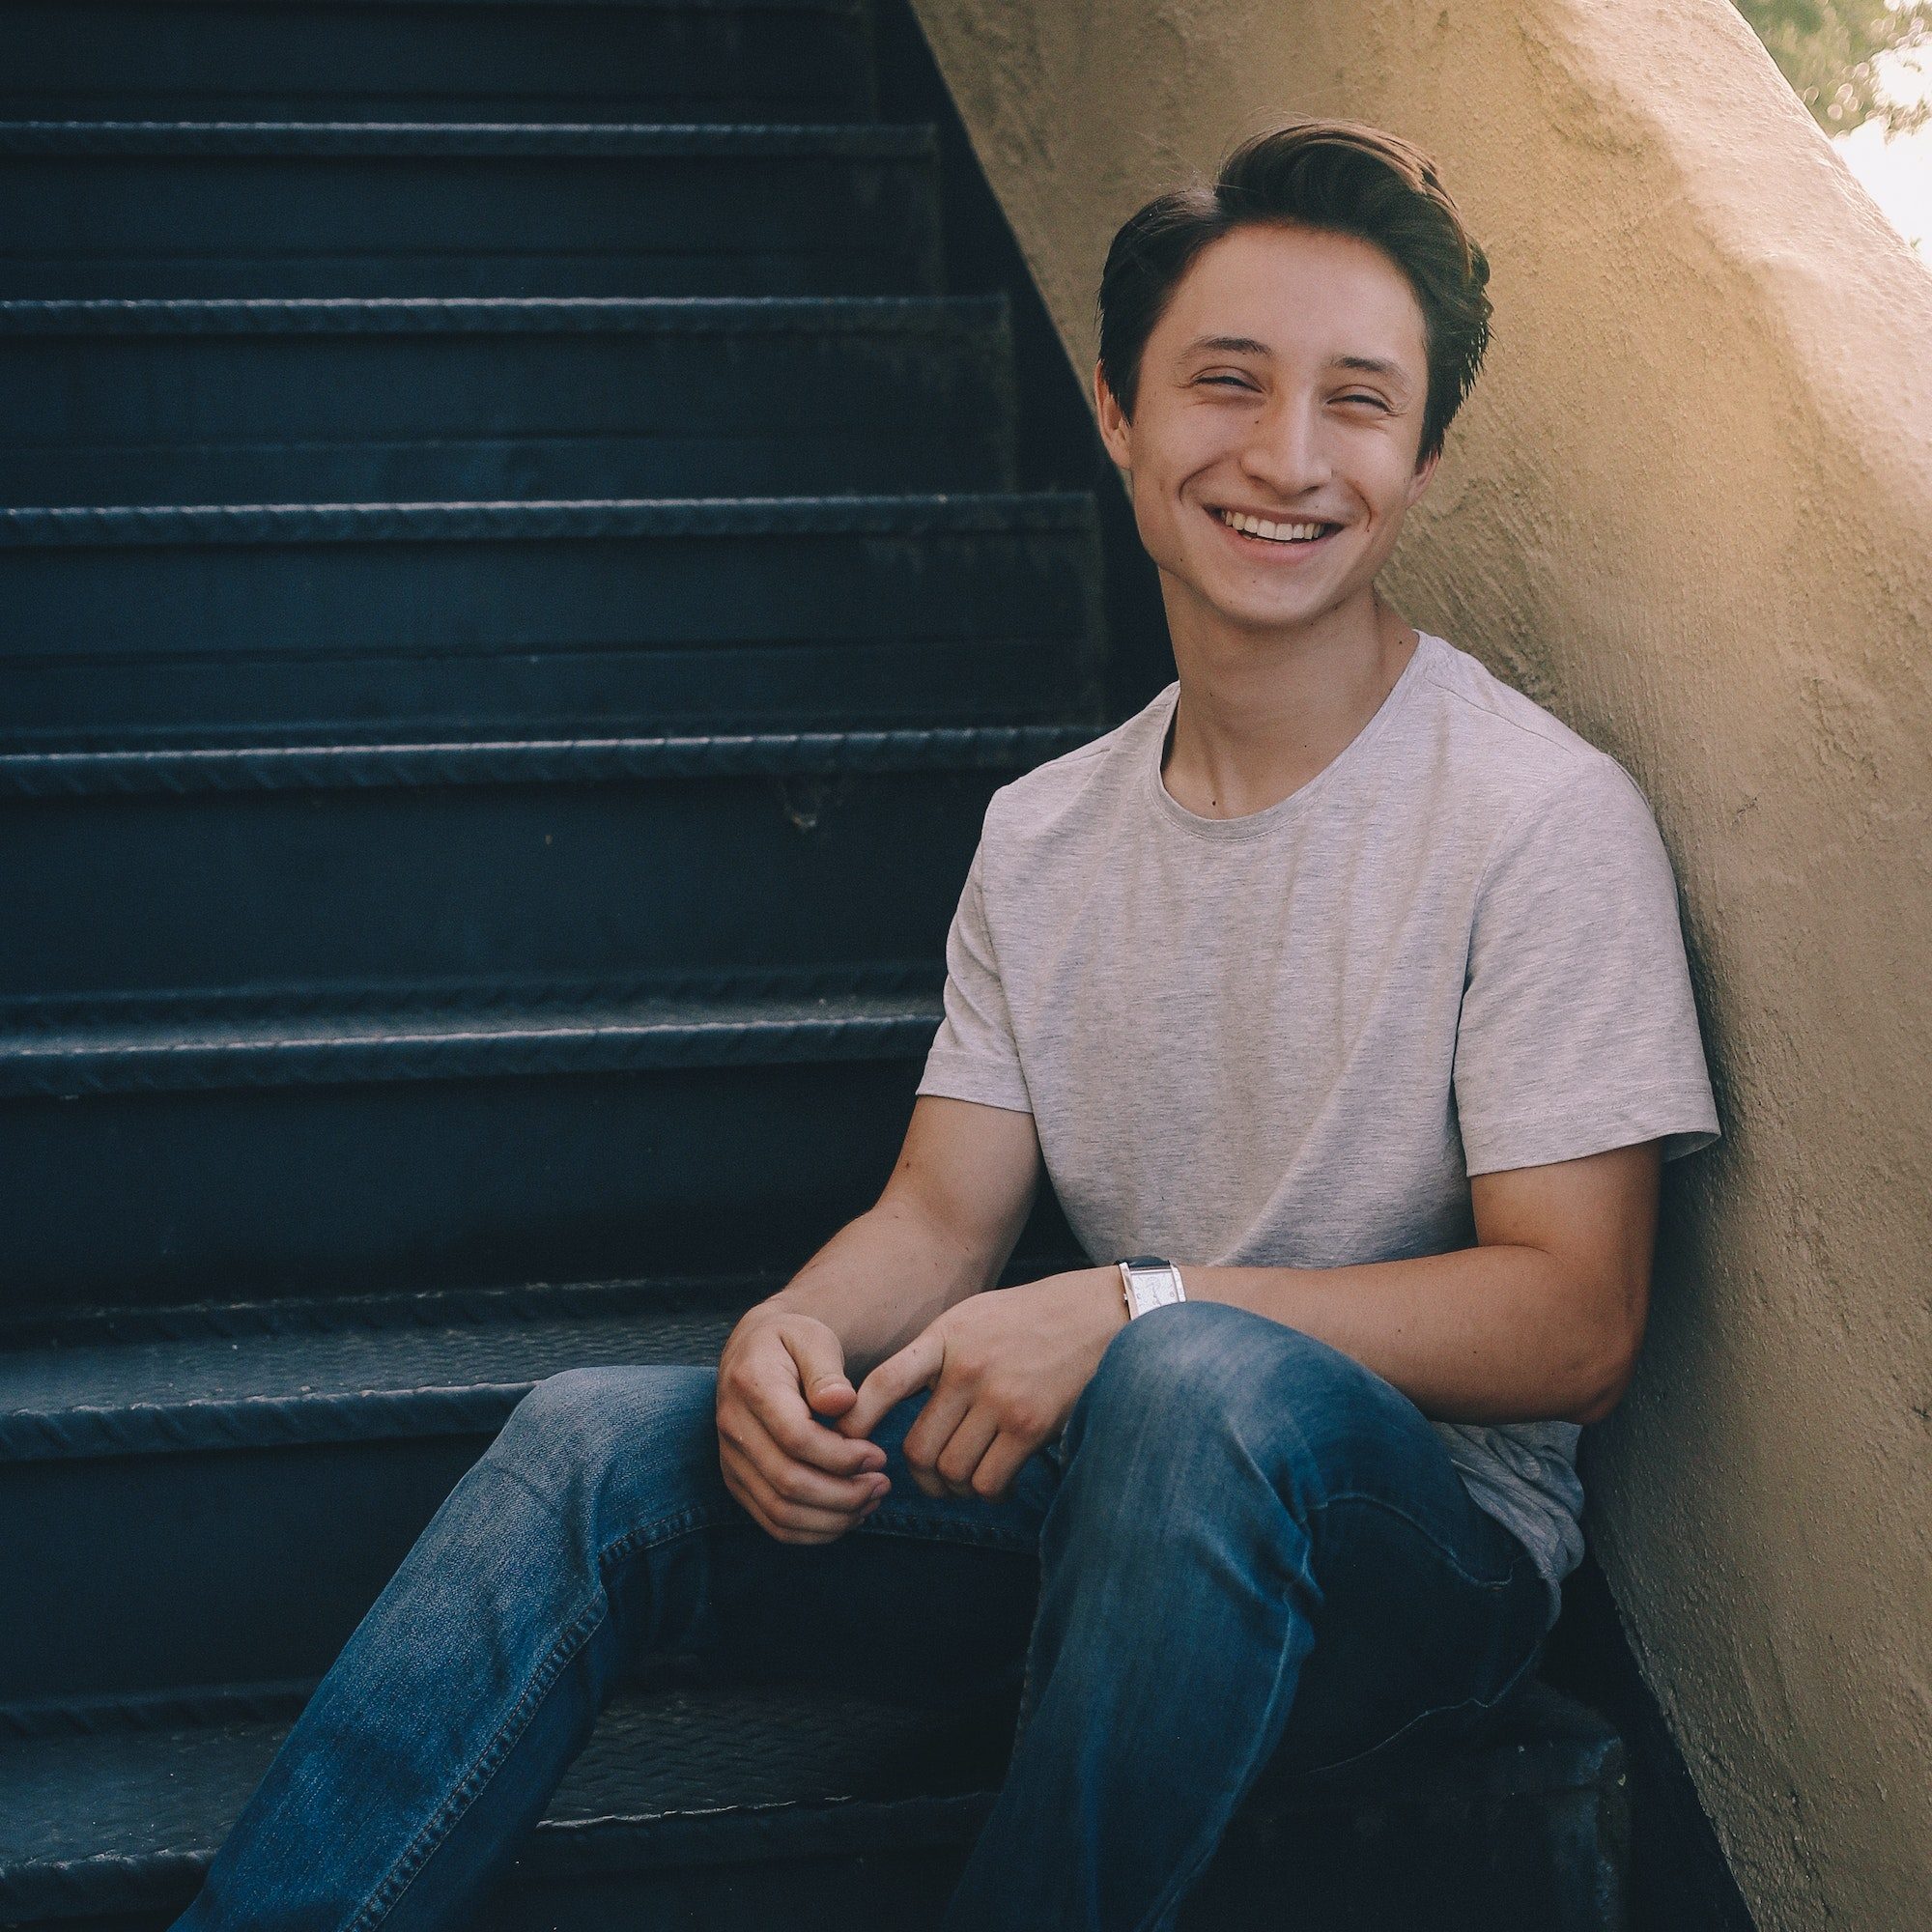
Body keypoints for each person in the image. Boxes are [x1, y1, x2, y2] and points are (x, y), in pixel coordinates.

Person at [173, 119, 1720, 1932]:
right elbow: (940, 1217)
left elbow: (1576, 1319)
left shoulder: (1541, 814)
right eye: (1227, 382)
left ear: (1425, 455)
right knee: (593, 1443)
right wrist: (791, 1333)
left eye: (1359, 403)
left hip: (1410, 1574)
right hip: (1105, 1526)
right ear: (1118, 414)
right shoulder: (1045, 831)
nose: (1288, 457)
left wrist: (1143, 1306)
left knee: (1192, 1386)